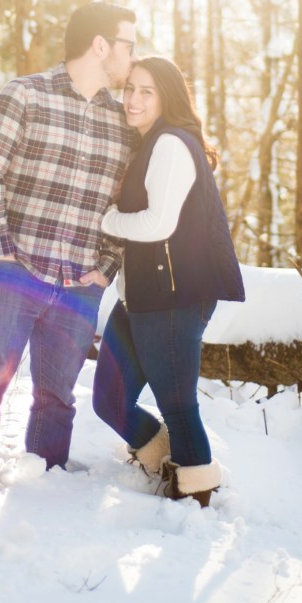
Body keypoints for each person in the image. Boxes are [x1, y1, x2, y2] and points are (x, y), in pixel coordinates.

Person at [0, 2, 138, 498]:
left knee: (58, 399)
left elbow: (126, 203)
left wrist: (107, 266)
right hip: (13, 272)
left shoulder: (122, 123)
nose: (132, 57)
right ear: (100, 45)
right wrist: (1, 251)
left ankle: (44, 492)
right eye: (128, 45)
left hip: (78, 287)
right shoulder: (23, 96)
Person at [92, 56, 245, 508]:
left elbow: (158, 224)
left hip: (175, 299)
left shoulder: (172, 145)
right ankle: (162, 459)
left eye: (147, 92)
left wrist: (105, 219)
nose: (133, 100)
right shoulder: (148, 144)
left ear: (168, 98)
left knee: (178, 407)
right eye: (130, 89)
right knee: (109, 399)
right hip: (142, 297)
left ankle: (196, 500)